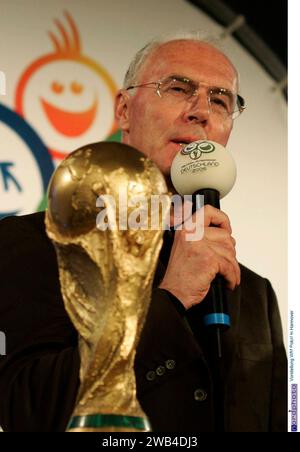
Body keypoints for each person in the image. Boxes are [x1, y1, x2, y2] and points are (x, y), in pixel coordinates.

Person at [0, 33, 287, 432]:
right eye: (178, 88)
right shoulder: (36, 245)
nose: (201, 111)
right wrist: (169, 300)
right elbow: (32, 410)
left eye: (220, 100)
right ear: (124, 109)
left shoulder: (254, 293)